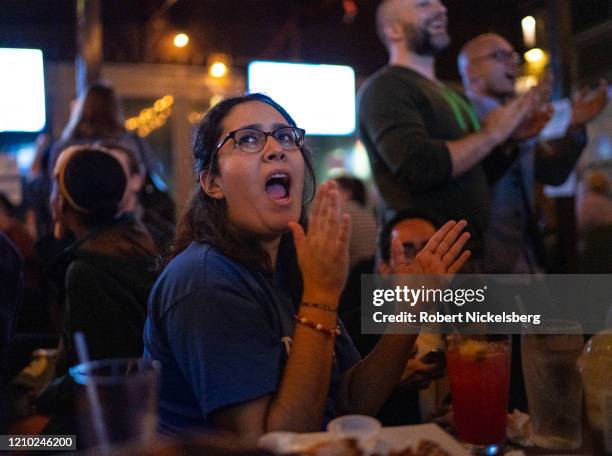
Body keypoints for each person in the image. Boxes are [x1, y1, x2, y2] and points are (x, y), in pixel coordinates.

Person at [143, 93, 471, 440]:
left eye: (286, 136)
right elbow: (268, 445)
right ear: (213, 182)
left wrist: (409, 311)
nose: (276, 148)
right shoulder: (206, 281)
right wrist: (321, 296)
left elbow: (348, 401)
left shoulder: (290, 268)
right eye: (248, 139)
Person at [357, 0, 538, 266]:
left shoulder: (453, 95)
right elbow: (419, 166)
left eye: (439, 4)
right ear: (394, 30)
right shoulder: (385, 87)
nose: (440, 9)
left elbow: (473, 173)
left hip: (469, 256)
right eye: (424, 5)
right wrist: (491, 134)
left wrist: (510, 140)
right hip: (425, 262)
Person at [459, 32, 609, 272]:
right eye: (499, 55)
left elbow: (552, 173)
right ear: (470, 71)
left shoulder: (520, 117)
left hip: (528, 263)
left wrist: (575, 126)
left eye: (513, 56)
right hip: (483, 269)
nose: (511, 62)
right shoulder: (457, 118)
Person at [50, 146, 159, 363]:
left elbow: (96, 371)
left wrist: (41, 396)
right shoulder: (141, 239)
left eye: (55, 186)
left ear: (62, 202)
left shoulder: (87, 270)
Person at [48, 81, 175, 231]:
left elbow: (53, 189)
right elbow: (153, 173)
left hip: (77, 226)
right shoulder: (132, 144)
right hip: (128, 223)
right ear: (115, 108)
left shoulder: (64, 147)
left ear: (82, 107)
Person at [97, 142, 176, 250]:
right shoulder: (83, 232)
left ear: (136, 180)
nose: (104, 181)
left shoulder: (163, 236)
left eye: (115, 172)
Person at [333, 175, 378, 269]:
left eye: (333, 189)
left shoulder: (343, 212)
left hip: (351, 275)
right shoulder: (366, 214)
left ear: (348, 192)